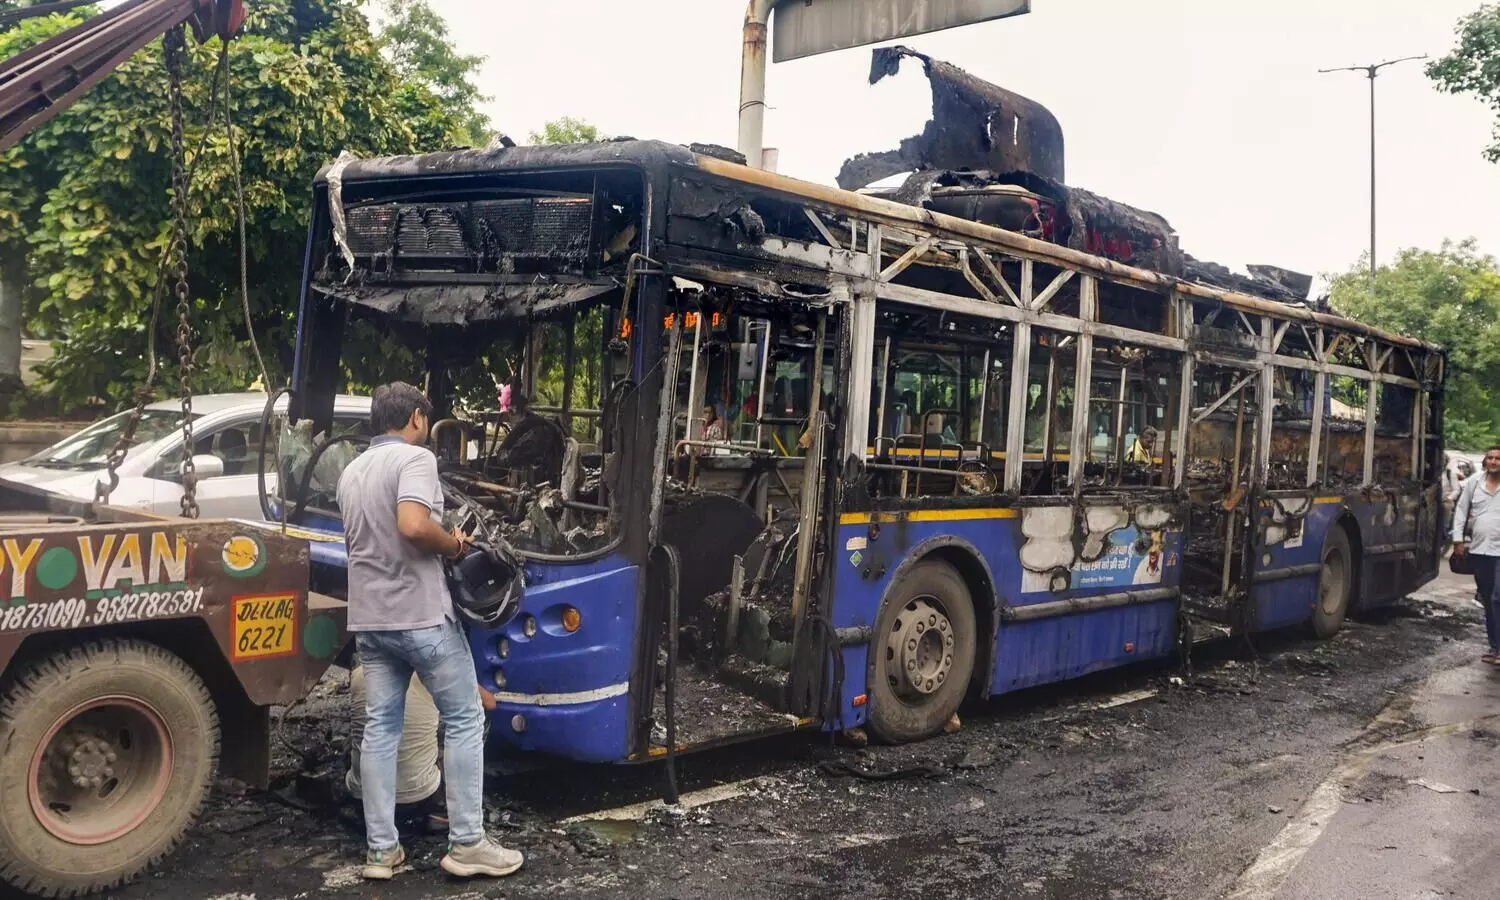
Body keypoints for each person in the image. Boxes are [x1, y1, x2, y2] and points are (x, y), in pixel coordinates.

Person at [336, 382, 523, 881]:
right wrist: (456, 546)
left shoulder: (352, 471)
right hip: (419, 616)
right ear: (417, 417)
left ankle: (381, 852)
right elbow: (414, 526)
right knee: (464, 718)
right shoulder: (414, 461)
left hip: (370, 621)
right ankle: (467, 844)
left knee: (380, 729)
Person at [1451, 445, 1500, 665]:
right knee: (1488, 599)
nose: (1493, 462)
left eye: (1498, 459)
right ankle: (1495, 646)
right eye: (1490, 458)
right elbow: (1461, 509)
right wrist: (1458, 539)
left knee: (1498, 598)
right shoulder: (1475, 482)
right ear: (1485, 461)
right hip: (1480, 550)